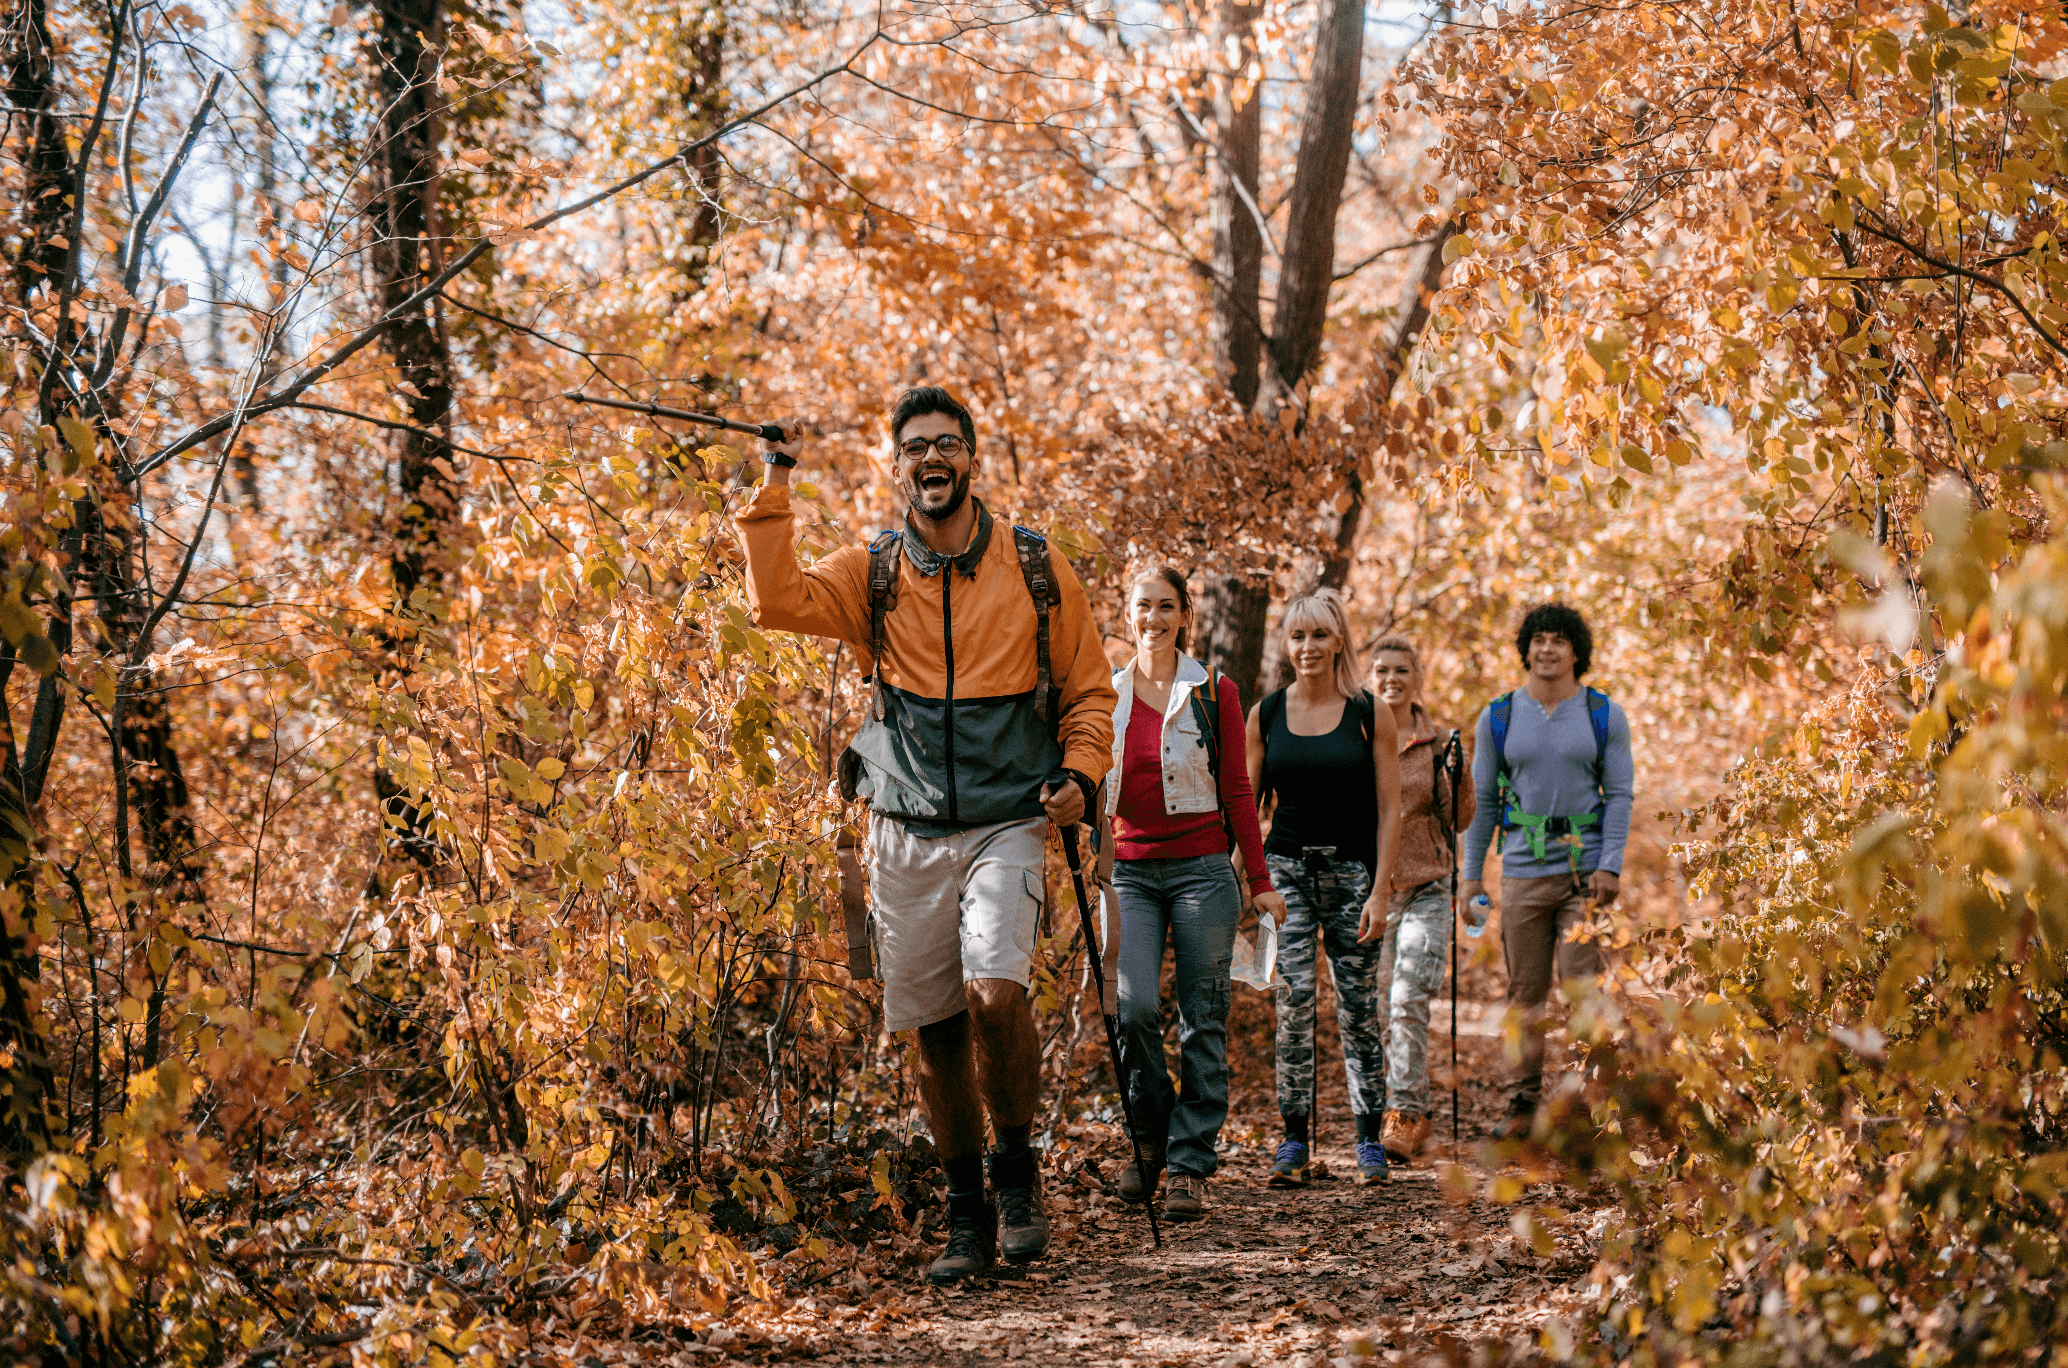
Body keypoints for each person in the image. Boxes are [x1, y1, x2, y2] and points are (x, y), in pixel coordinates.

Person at [738, 387, 1117, 1282]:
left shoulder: (1034, 567)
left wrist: (1082, 775)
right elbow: (776, 601)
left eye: (948, 443)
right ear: (896, 465)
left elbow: (1091, 691)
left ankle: (1017, 1174)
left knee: (996, 994)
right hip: (902, 826)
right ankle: (965, 1214)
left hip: (1007, 820)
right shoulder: (872, 570)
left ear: (972, 460)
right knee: (936, 1030)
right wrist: (777, 479)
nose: (931, 458)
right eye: (915, 447)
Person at [1105, 567, 1286, 1224]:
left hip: (1203, 874)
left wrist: (1259, 883)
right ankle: (1149, 1137)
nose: (1153, 616)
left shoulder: (1214, 691)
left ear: (1185, 614)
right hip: (1130, 875)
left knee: (1201, 1019)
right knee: (1133, 1011)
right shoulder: (1106, 694)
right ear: (1129, 615)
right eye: (1142, 605)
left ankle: (1188, 1163)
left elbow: (1239, 790)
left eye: (1165, 606)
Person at [1459, 603, 1634, 1140]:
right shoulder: (1499, 716)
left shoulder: (1603, 713)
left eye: (1559, 640)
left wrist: (1610, 865)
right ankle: (1521, 1107)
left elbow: (1621, 794)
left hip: (1585, 876)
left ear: (1577, 650)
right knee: (1525, 993)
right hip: (1522, 872)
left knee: (1583, 990)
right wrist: (1470, 877)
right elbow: (1482, 801)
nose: (1547, 648)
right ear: (1526, 648)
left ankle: (1586, 1104)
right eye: (1538, 639)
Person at [1248, 588, 1402, 1188]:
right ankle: (1294, 1141)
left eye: (1319, 635)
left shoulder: (1369, 712)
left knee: (1359, 1010)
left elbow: (1390, 809)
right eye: (1297, 636)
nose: (1307, 647)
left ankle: (1368, 1141)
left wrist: (1381, 891)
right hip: (1285, 874)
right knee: (1293, 1006)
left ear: (1339, 639)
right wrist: (1245, 878)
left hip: (1352, 877)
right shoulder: (1266, 714)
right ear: (1287, 644)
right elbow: (1249, 807)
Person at [1370, 637, 1476, 1166]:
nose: (1391, 679)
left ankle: (1404, 1115)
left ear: (1418, 677)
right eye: (1382, 670)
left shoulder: (1439, 743)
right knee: (1380, 1004)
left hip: (1429, 885)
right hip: (1372, 893)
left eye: (1401, 670)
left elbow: (1460, 820)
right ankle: (1404, 1109)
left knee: (1406, 996)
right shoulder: (1358, 734)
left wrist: (1458, 775)